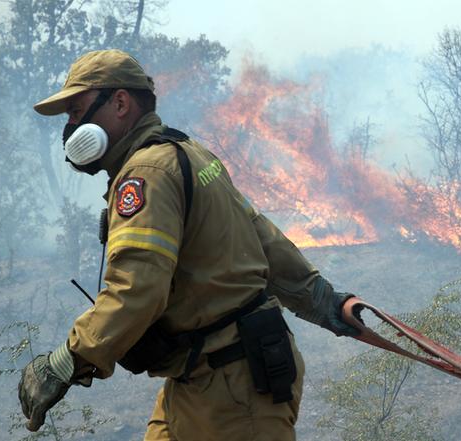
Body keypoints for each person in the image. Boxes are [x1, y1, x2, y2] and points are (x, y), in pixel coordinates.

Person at [18, 49, 359, 441]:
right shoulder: (186, 152)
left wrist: (65, 362)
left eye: (76, 112)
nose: (71, 128)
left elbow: (137, 290)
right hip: (201, 380)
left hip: (232, 393)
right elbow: (259, 234)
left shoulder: (145, 174)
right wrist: (323, 300)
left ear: (120, 102)